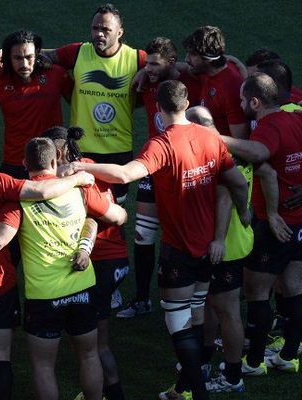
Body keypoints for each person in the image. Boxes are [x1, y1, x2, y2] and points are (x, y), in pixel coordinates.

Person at [69, 80, 249, 400]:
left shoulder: (162, 143)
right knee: (194, 317)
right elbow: (236, 181)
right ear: (186, 102)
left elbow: (124, 175)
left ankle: (198, 392)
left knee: (178, 325)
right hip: (209, 249)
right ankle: (186, 389)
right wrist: (243, 216)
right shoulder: (209, 137)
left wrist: (82, 167)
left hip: (179, 250)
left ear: (159, 109)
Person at [0, 137, 125, 400]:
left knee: (44, 366)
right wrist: (86, 247)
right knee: (89, 355)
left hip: (44, 295)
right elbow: (107, 217)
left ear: (23, 165)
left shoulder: (20, 199)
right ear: (55, 162)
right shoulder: (80, 188)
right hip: (82, 287)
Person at [220, 73, 302, 375]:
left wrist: (216, 137)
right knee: (293, 286)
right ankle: (289, 356)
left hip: (274, 223)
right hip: (298, 221)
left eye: (243, 99)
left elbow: (260, 157)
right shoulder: (295, 118)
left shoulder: (269, 127)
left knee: (256, 291)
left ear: (255, 102)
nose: (240, 103)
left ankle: (252, 362)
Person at [118, 36, 201, 319]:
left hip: (184, 168)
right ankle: (142, 299)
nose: (149, 68)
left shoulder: (191, 81)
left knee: (183, 234)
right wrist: (145, 72)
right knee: (142, 235)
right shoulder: (148, 82)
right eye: (147, 63)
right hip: (154, 166)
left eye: (155, 64)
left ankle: (194, 298)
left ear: (172, 63)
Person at [43, 126, 129, 400]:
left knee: (96, 346)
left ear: (58, 152)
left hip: (102, 260)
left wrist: (119, 214)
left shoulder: (78, 180)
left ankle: (110, 393)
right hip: (114, 258)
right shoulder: (89, 165)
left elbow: (109, 215)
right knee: (92, 339)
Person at [39, 3, 146, 205]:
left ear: (120, 32)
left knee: (114, 207)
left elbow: (167, 65)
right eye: (95, 28)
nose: (99, 34)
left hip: (118, 150)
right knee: (79, 205)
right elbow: (42, 55)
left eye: (106, 29)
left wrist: (146, 71)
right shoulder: (78, 52)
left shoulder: (135, 58)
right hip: (80, 148)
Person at [186, 107, 250, 393]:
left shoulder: (215, 155)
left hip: (225, 248)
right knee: (211, 304)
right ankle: (205, 358)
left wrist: (219, 240)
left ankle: (233, 377)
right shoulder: (230, 149)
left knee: (227, 311)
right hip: (230, 243)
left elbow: (224, 196)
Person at [0, 30, 72, 179]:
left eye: (29, 57)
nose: (24, 64)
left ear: (37, 54)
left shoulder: (57, 74)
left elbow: (79, 104)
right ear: (8, 58)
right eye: (17, 58)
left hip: (51, 162)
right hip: (14, 163)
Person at [182, 26, 248, 139]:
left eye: (192, 55)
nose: (187, 59)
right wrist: (147, 70)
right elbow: (182, 68)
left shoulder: (231, 88)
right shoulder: (207, 71)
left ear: (208, 58)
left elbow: (239, 140)